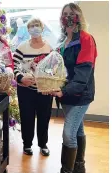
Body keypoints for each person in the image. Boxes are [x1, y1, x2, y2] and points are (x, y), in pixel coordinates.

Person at [51, 3, 97, 173]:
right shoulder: (62, 41)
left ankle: (67, 170)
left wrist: (64, 90)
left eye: (72, 13)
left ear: (79, 16)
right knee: (78, 128)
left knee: (68, 134)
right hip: (65, 94)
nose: (68, 17)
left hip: (80, 94)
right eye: (65, 14)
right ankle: (79, 166)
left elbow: (83, 73)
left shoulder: (86, 39)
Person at [13, 18, 53, 156]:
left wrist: (49, 82)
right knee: (27, 117)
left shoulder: (49, 48)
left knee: (44, 117)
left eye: (37, 26)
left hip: (44, 90)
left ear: (42, 28)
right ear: (28, 30)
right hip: (25, 90)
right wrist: (21, 78)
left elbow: (54, 67)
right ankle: (27, 144)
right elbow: (14, 66)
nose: (35, 28)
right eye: (32, 26)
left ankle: (43, 144)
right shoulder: (21, 47)